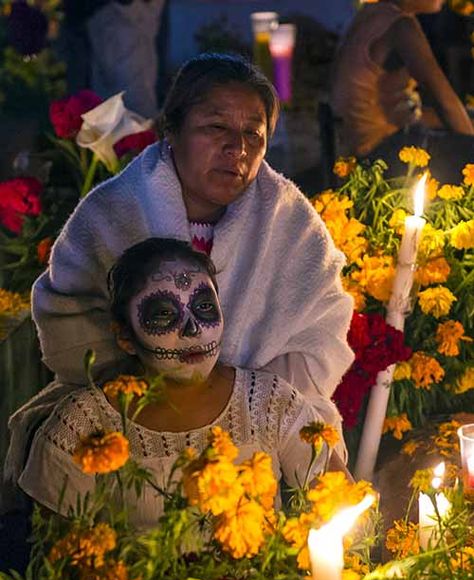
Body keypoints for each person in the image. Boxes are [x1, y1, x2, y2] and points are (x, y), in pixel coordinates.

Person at [4, 53, 353, 491]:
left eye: (253, 134)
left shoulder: (292, 224)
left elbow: (319, 337)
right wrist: (164, 393)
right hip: (131, 412)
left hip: (256, 423)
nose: (237, 149)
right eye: (216, 127)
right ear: (172, 130)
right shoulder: (112, 210)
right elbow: (68, 323)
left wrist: (236, 398)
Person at [18, 239, 345, 528]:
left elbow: (342, 505)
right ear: (124, 336)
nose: (193, 331)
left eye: (204, 307)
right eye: (163, 314)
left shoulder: (269, 402)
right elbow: (57, 566)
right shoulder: (83, 425)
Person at [331, 0, 474, 182]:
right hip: (377, 155)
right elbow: (445, 103)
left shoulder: (374, 13)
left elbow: (397, 108)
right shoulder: (400, 26)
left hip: (363, 143)